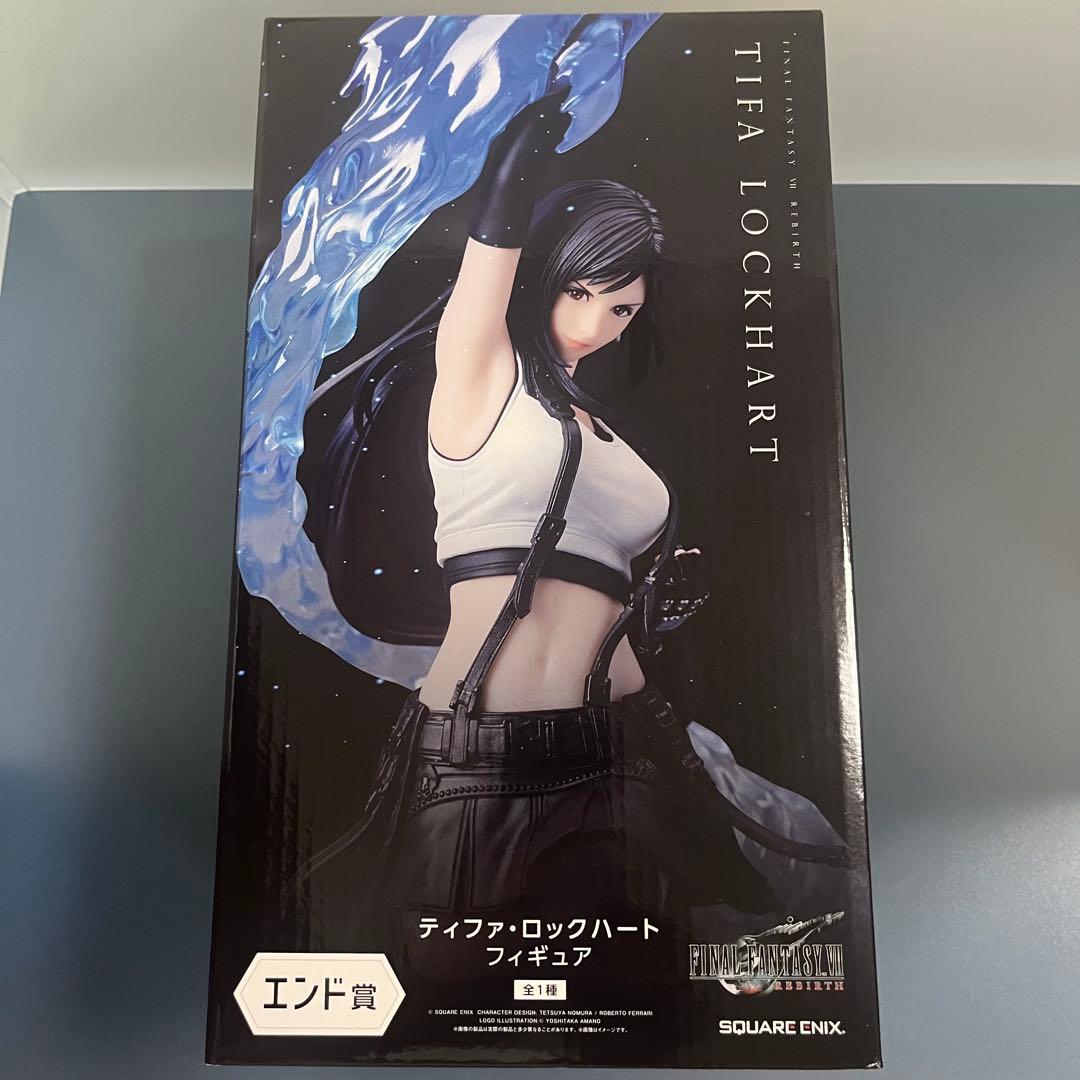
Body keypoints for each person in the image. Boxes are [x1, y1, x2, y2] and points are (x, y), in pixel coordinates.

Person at [297, 85, 849, 972]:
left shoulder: (607, 434)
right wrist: (533, 124)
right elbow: (493, 240)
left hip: (633, 745)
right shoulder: (481, 377)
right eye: (580, 292)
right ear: (543, 275)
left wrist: (647, 609)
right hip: (487, 755)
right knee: (457, 983)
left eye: (622, 309)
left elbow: (587, 589)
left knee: (698, 962)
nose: (596, 325)